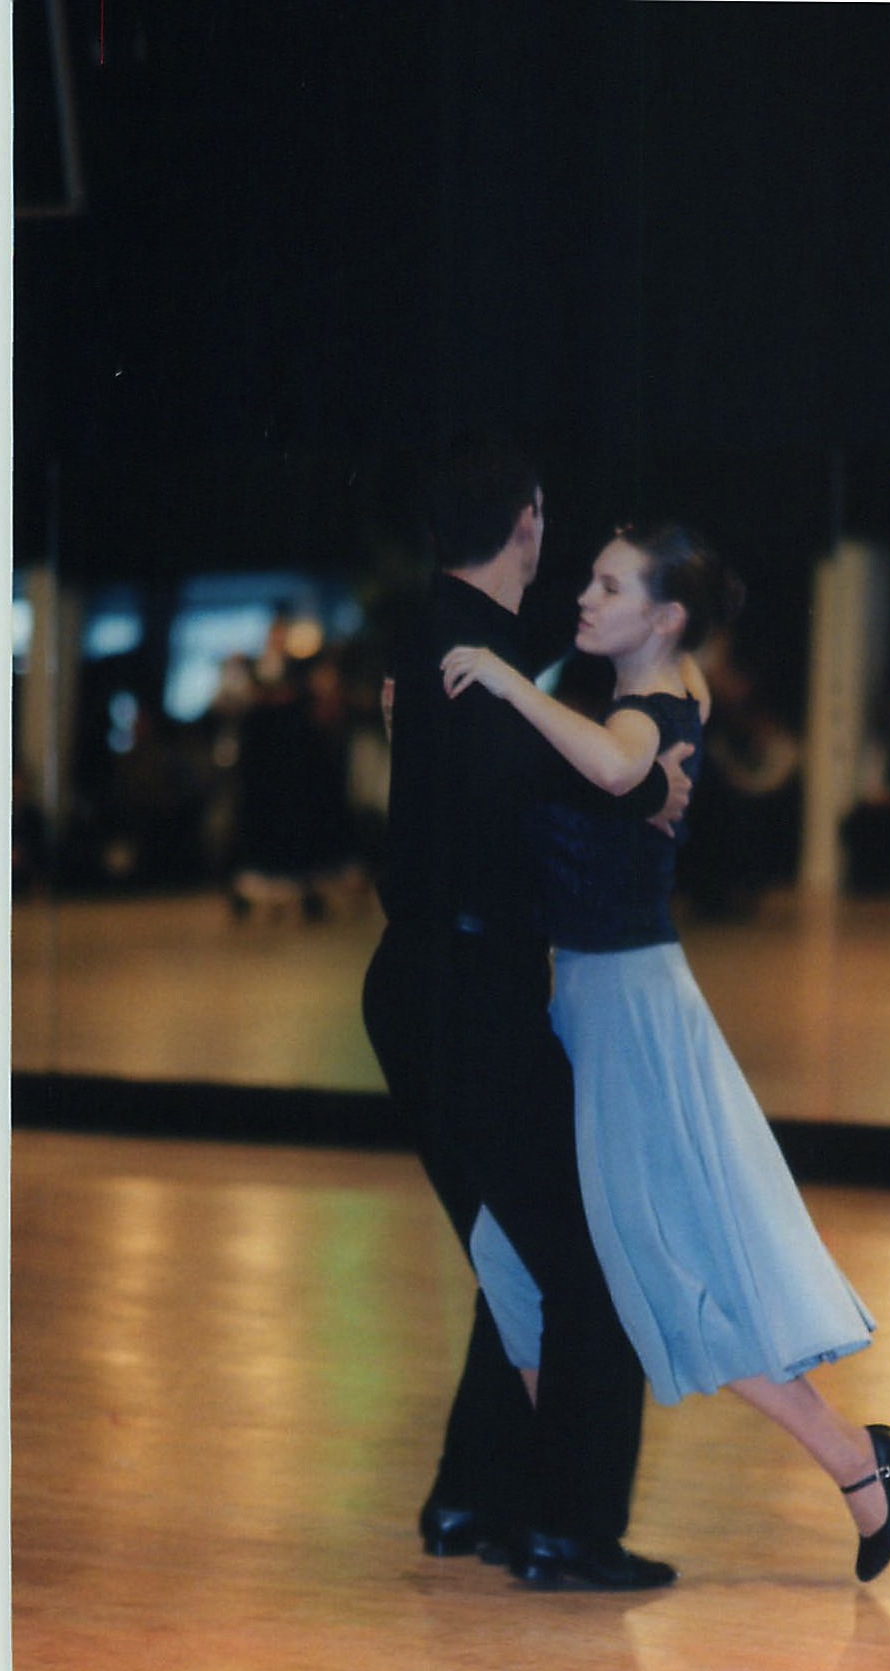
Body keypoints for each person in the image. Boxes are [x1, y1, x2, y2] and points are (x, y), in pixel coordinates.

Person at [442, 523, 890, 1584]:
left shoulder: (645, 715)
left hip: (629, 1015)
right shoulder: (667, 687)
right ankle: (550, 1496)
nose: (583, 595)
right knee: (510, 1252)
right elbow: (628, 741)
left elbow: (620, 758)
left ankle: (855, 1458)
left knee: (658, 1269)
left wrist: (511, 684)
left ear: (664, 617)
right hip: (588, 1000)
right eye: (589, 576)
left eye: (610, 586)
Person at [360, 442, 695, 1592]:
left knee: (516, 1245)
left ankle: (472, 1493)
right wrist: (647, 791)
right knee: (589, 1251)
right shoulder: (480, 660)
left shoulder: (431, 636)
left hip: (417, 985)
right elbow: (571, 784)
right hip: (469, 995)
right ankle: (567, 1526)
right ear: (528, 522)